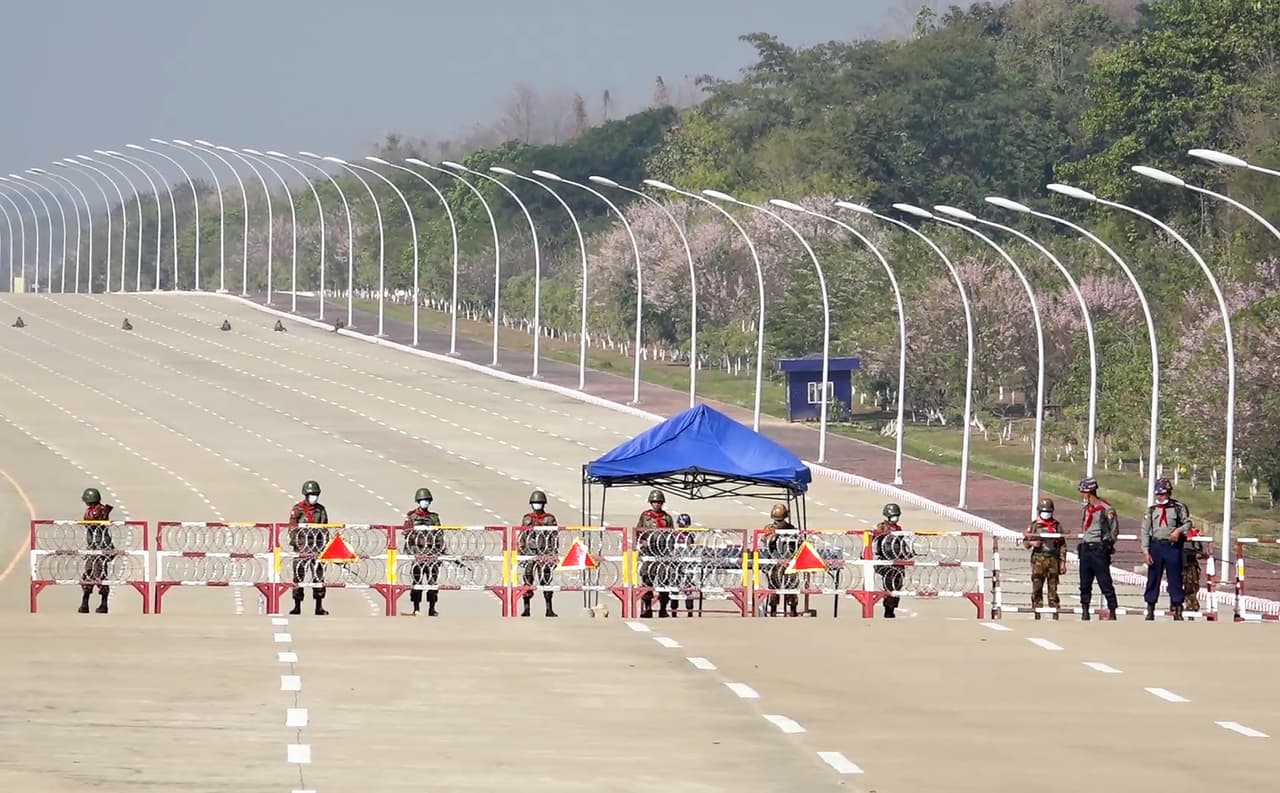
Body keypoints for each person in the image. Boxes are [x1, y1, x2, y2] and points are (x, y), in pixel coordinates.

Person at [1141, 477, 1191, 621]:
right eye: (1158, 494)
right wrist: (1146, 551)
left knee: (1175, 578)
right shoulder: (1152, 510)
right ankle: (1150, 608)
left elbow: (1188, 523)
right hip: (1156, 546)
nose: (1160, 497)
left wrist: (1178, 531)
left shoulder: (1178, 508)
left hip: (1172, 547)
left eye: (1162, 494)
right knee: (1153, 578)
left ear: (1169, 493)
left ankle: (1178, 608)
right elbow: (1145, 530)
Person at [1077, 477, 1119, 621]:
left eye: (1084, 492)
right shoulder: (1086, 509)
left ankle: (1112, 609)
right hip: (1086, 549)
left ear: (1089, 493)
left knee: (1105, 582)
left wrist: (1107, 545)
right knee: (1084, 583)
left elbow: (1113, 530)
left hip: (1099, 550)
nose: (1082, 496)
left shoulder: (1106, 509)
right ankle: (1085, 610)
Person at [287, 479, 330, 616]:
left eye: (316, 494)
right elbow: (292, 528)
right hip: (302, 546)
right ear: (305, 495)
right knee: (298, 576)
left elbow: (325, 528)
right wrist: (298, 544)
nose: (314, 497)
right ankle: (297, 605)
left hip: (317, 546)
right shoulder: (298, 509)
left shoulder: (321, 510)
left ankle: (319, 606)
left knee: (319, 577)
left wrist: (325, 545)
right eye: (311, 494)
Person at [402, 487, 445, 616]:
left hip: (432, 554)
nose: (425, 502)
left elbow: (439, 534)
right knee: (417, 582)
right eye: (423, 500)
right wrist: (419, 539)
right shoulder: (411, 516)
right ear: (418, 501)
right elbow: (406, 532)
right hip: (418, 554)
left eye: (427, 500)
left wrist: (440, 549)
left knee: (432, 584)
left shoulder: (434, 517)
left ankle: (432, 609)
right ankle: (416, 608)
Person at [1023, 497, 1066, 620]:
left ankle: (1055, 611)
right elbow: (1025, 543)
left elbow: (1062, 545)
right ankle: (1037, 610)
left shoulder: (1056, 525)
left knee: (1053, 587)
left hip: (1053, 558)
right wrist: (1032, 543)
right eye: (1044, 511)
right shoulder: (1034, 525)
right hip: (1038, 559)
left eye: (1048, 511)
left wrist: (1062, 562)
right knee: (1037, 585)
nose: (1046, 513)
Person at [636, 489, 676, 618]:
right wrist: (643, 541)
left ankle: (663, 609)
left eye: (659, 502)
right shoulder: (645, 516)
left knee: (664, 581)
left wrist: (669, 550)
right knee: (647, 580)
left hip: (663, 553)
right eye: (654, 502)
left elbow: (672, 534)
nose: (656, 505)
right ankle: (648, 608)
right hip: (649, 553)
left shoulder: (667, 518)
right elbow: (638, 531)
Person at [518, 490, 558, 618]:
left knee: (546, 580)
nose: (537, 505)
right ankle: (526, 609)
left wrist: (553, 554)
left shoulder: (550, 518)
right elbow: (522, 536)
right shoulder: (527, 518)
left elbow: (554, 537)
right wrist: (521, 552)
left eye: (539, 503)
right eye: (535, 503)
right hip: (530, 553)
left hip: (545, 552)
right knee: (528, 580)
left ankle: (549, 608)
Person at [79, 487, 114, 614]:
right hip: (95, 546)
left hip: (99, 547)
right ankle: (85, 603)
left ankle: (102, 604)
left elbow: (91, 522)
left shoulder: (97, 511)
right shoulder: (98, 509)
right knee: (89, 574)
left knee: (99, 575)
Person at [873, 503, 911, 618]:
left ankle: (892, 607)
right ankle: (888, 610)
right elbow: (872, 539)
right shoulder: (882, 527)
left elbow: (901, 543)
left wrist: (907, 553)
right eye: (894, 515)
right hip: (887, 561)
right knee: (889, 585)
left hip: (898, 562)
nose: (896, 518)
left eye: (897, 516)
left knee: (897, 586)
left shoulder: (898, 529)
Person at [763, 503, 800, 617]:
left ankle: (791, 608)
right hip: (777, 560)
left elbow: (797, 542)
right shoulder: (770, 528)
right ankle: (775, 608)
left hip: (787, 559)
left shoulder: (791, 528)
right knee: (775, 583)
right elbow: (765, 541)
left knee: (790, 584)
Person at [669, 513, 697, 617]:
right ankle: (674, 611)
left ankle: (690, 611)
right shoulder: (674, 534)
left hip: (687, 563)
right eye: (682, 525)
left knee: (688, 589)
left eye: (685, 525)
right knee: (674, 588)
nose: (683, 527)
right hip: (675, 563)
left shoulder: (690, 535)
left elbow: (692, 547)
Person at [1182, 524, 1209, 614]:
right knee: (1180, 583)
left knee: (1192, 583)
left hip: (1191, 562)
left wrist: (1201, 554)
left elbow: (1199, 551)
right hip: (1179, 560)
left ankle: (1192, 604)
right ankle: (1179, 604)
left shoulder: (1194, 532)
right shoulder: (1173, 529)